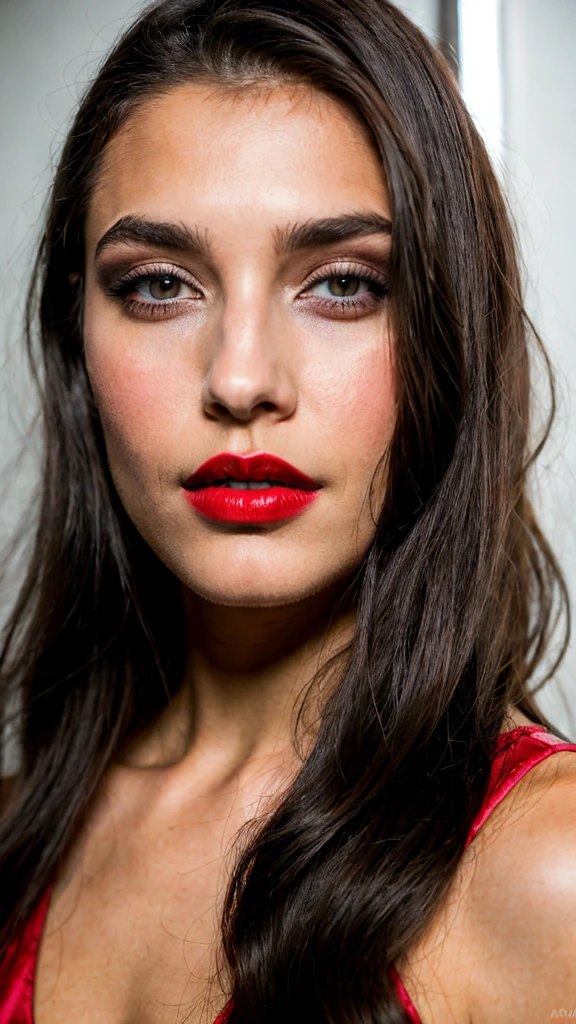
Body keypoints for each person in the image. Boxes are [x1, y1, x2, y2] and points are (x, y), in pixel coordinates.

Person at [1, 0, 576, 1021]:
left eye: (345, 285)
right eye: (162, 285)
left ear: (447, 335)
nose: (241, 378)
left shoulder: (549, 871)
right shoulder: (16, 838)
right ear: (74, 338)